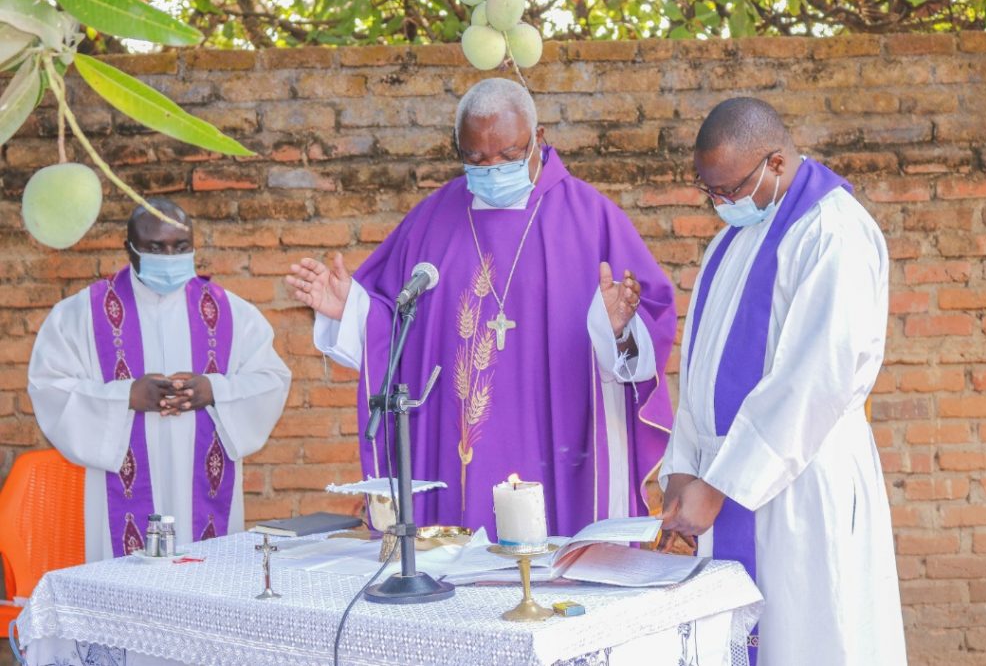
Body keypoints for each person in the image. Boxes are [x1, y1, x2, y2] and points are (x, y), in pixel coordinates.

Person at [288, 77, 676, 538]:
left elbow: (650, 319)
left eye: (509, 156)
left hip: (562, 441)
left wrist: (618, 330)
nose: (493, 168)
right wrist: (350, 310)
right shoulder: (432, 220)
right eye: (476, 159)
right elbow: (394, 324)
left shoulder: (591, 218)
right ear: (457, 150)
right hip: (456, 446)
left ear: (539, 139)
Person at [658, 97, 907, 665]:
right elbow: (701, 370)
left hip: (800, 488)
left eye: (729, 189)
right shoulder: (731, 241)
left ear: (774, 162)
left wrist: (718, 486)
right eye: (710, 192)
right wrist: (683, 467)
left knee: (808, 639)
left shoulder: (834, 232)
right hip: (723, 484)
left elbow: (814, 381)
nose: (721, 204)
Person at [28, 199, 291, 562]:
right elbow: (48, 386)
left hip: (202, 488)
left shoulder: (233, 313)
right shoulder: (80, 314)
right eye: (155, 248)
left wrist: (214, 390)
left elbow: (271, 379)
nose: (169, 257)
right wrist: (126, 397)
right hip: (121, 494)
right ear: (129, 249)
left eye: (180, 247)